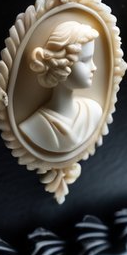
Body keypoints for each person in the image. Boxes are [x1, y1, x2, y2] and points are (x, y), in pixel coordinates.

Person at [19, 20, 101, 154]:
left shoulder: (93, 111)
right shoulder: (34, 126)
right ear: (61, 64)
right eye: (85, 60)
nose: (94, 67)